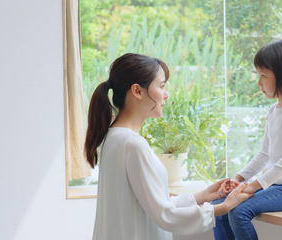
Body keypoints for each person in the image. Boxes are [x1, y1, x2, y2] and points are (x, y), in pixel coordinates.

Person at [84, 53, 252, 240]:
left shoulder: (113, 138)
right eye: (162, 86)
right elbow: (164, 215)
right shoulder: (132, 144)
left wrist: (204, 195)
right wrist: (224, 207)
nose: (166, 95)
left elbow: (154, 203)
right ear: (137, 91)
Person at [213, 39, 282, 240]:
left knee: (239, 212)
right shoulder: (274, 110)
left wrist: (254, 185)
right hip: (278, 186)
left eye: (263, 76)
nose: (259, 83)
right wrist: (238, 179)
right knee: (218, 208)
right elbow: (264, 154)